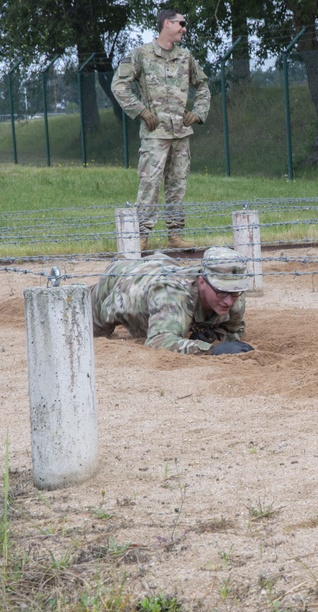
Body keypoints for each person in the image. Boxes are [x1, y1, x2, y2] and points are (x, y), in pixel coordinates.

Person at [111, 8, 210, 250]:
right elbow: (119, 86)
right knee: (149, 184)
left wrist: (198, 114)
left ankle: (175, 236)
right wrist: (141, 111)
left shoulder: (185, 57)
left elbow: (203, 86)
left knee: (178, 184)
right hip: (155, 136)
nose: (184, 29)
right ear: (167, 24)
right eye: (181, 24)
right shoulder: (140, 55)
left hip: (181, 134)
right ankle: (141, 237)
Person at [90, 246, 254, 355]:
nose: (228, 301)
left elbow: (233, 330)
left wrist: (215, 335)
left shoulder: (234, 295)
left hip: (160, 266)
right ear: (202, 282)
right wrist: (211, 349)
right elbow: (158, 341)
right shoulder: (171, 294)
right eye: (221, 292)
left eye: (234, 293)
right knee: (87, 333)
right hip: (120, 281)